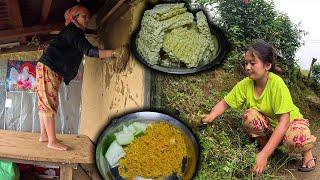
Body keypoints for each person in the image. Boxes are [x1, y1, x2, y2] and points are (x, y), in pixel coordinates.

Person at [201, 40, 317, 174]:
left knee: (297, 138)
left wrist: (263, 155)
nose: (247, 67)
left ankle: (306, 153)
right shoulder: (245, 85)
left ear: (267, 65)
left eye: (252, 63)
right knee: (249, 116)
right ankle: (268, 150)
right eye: (246, 63)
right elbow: (225, 103)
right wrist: (211, 116)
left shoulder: (277, 84)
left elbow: (284, 122)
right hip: (270, 127)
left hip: (290, 125)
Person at [36, 5, 128, 150]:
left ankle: (44, 135)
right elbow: (90, 51)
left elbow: (84, 45)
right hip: (50, 67)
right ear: (74, 18)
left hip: (48, 67)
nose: (87, 19)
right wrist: (114, 53)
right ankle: (52, 141)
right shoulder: (74, 32)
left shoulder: (73, 31)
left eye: (88, 17)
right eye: (84, 16)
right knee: (48, 103)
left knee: (45, 101)